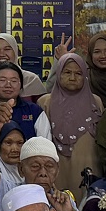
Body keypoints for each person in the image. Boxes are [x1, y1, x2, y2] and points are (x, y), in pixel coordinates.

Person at [38, 52, 102, 188]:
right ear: (59, 73)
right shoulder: (45, 102)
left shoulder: (95, 102)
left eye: (78, 73)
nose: (72, 77)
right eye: (67, 72)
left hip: (88, 163)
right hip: (55, 165)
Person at [0, 63, 50, 142]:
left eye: (14, 81)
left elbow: (45, 144)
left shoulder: (34, 111)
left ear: (21, 86)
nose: (8, 85)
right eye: (2, 80)